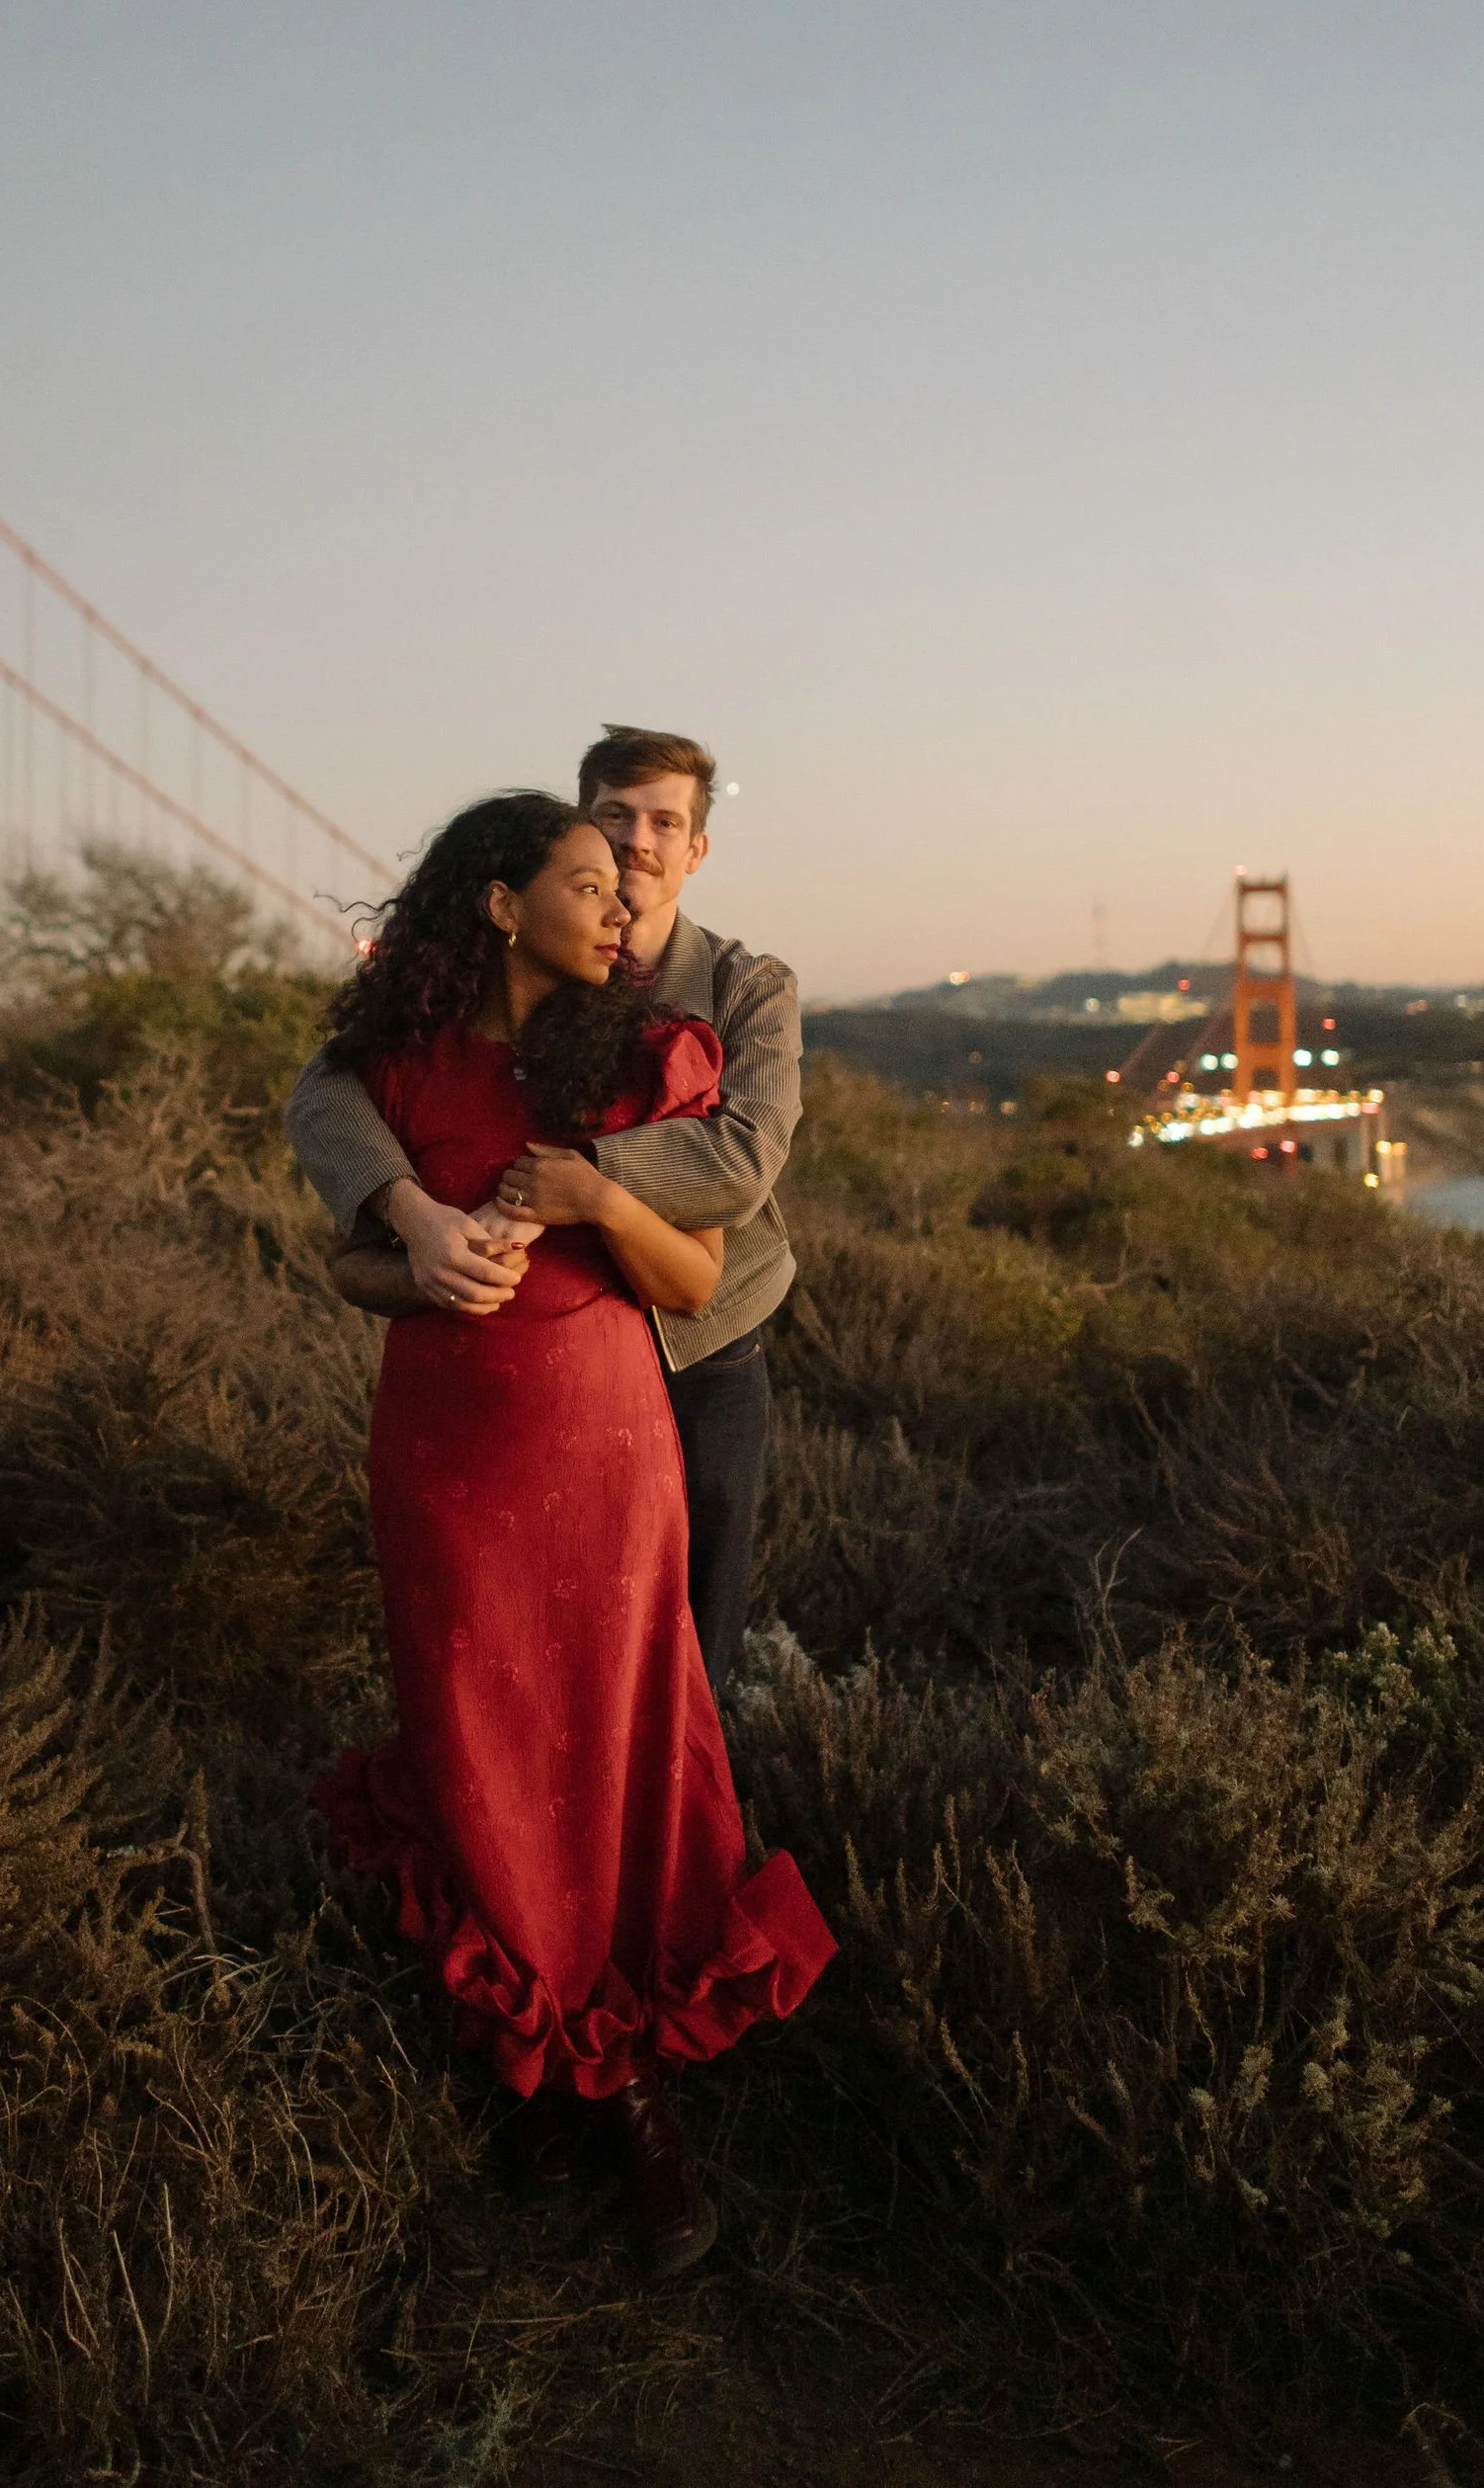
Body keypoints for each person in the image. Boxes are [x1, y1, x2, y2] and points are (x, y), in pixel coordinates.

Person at [307, 792, 833, 2276]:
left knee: (608, 1737)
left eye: (626, 885)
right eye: (588, 883)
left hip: (604, 1446)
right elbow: (344, 1265)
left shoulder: (649, 1052)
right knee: (479, 1733)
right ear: (496, 902)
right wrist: (418, 1259)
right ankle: (534, 2051)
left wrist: (599, 1191)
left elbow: (686, 1279)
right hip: (446, 1446)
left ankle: (626, 2090)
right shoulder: (398, 1065)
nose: (619, 909)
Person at [286, 726, 800, 1695]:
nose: (638, 843)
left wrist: (568, 1183)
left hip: (700, 1346)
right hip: (509, 1379)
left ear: (695, 850)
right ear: (580, 832)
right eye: (614, 819)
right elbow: (325, 1093)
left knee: (683, 1643)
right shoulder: (465, 999)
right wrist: (413, 1215)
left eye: (664, 823)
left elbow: (737, 1163)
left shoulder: (740, 989)